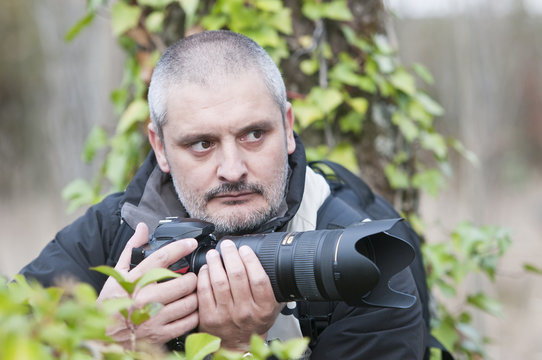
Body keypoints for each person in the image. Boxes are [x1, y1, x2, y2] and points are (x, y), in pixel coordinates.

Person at [20, 30, 425, 359]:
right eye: (202, 144)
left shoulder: (362, 260)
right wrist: (103, 341)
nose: (232, 169)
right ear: (159, 147)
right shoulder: (111, 234)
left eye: (253, 134)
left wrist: (235, 349)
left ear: (287, 127)